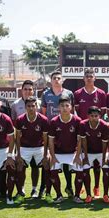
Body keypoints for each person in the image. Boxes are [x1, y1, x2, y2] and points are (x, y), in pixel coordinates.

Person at [41, 70, 75, 198]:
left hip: (66, 131)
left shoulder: (69, 93)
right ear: (51, 80)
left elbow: (73, 111)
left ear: (62, 80)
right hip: (52, 131)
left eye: (58, 78)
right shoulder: (46, 94)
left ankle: (69, 187)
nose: (56, 80)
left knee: (67, 162)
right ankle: (45, 189)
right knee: (49, 161)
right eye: (54, 78)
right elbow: (44, 113)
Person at [74, 69, 107, 198]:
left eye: (91, 76)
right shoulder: (77, 93)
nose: (89, 78)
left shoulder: (101, 93)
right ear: (84, 78)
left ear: (95, 78)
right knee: (84, 161)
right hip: (82, 130)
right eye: (87, 76)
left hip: (97, 129)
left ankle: (97, 187)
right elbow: (77, 110)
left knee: (97, 164)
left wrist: (94, 124)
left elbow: (103, 112)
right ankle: (83, 187)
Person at [46, 96, 82, 203]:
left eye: (67, 105)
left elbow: (80, 140)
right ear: (58, 108)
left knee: (80, 169)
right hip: (58, 152)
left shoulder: (77, 120)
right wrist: (52, 156)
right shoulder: (54, 121)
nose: (65, 108)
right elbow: (51, 141)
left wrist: (77, 155)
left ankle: (77, 196)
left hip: (73, 152)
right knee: (52, 169)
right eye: (62, 106)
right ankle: (59, 195)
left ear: (71, 107)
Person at [11, 80, 43, 198]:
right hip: (23, 143)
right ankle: (22, 189)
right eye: (25, 89)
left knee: (35, 167)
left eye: (30, 89)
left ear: (33, 90)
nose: (28, 91)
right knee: (21, 167)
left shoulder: (38, 103)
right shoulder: (15, 104)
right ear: (21, 90)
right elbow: (14, 124)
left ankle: (35, 189)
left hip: (37, 143)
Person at [13, 97, 49, 204]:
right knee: (19, 166)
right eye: (29, 106)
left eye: (33, 106)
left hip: (39, 147)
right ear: (25, 107)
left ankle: (40, 190)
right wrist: (18, 154)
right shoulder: (20, 119)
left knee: (46, 165)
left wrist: (46, 154)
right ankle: (21, 192)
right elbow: (17, 138)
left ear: (36, 107)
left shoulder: (43, 120)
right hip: (25, 148)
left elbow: (46, 139)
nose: (31, 108)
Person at [79, 106, 109, 203]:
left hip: (101, 152)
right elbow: (84, 142)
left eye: (96, 116)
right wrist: (86, 157)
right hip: (88, 152)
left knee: (106, 169)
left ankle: (105, 194)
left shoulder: (104, 125)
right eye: (92, 116)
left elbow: (105, 143)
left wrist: (104, 158)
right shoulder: (83, 124)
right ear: (88, 116)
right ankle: (88, 195)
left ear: (99, 116)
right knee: (85, 169)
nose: (94, 118)